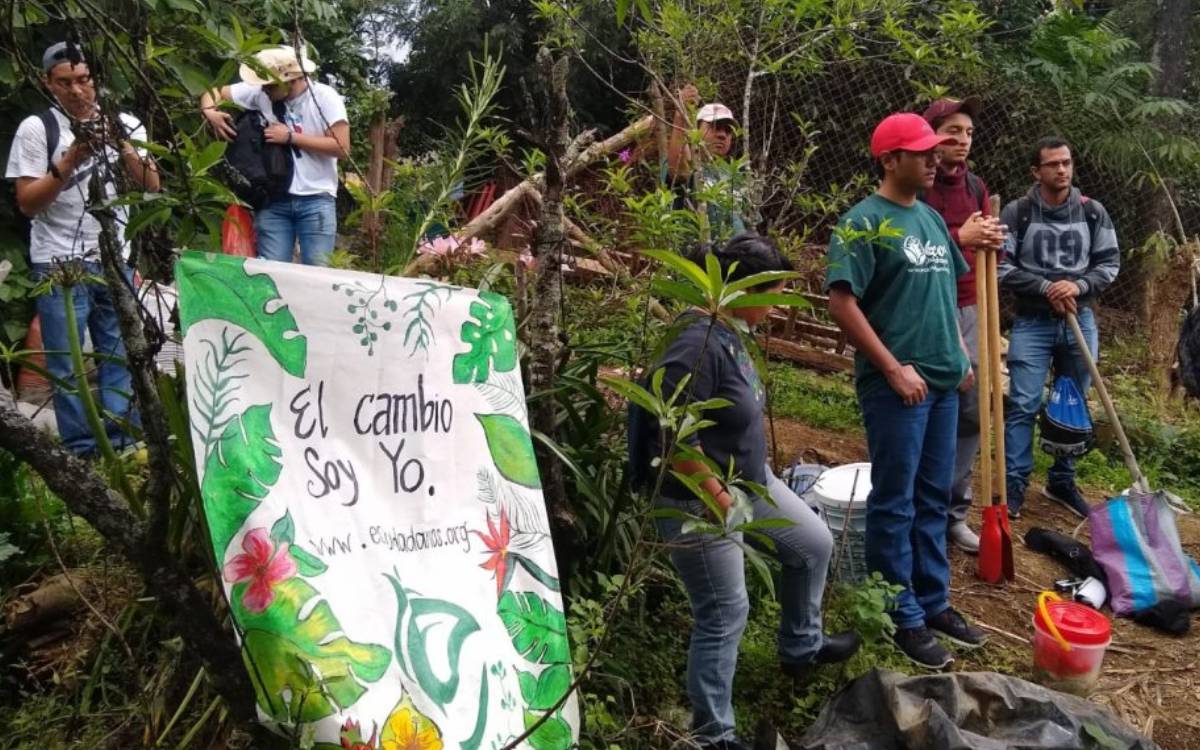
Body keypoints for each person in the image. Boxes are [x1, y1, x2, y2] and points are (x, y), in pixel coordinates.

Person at [632, 233, 859, 748]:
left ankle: (801, 647)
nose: (778, 302)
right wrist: (719, 497)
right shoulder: (696, 343)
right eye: (772, 291)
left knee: (813, 546)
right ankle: (714, 734)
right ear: (742, 288)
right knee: (725, 611)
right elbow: (666, 436)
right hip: (698, 497)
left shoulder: (732, 330)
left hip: (750, 481)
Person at [825, 113, 987, 670]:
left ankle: (933, 601)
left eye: (932, 151)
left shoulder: (932, 221)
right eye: (920, 153)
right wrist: (893, 369)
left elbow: (945, 293)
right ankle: (900, 613)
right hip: (898, 387)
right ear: (890, 160)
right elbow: (842, 302)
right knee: (895, 500)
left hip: (941, 380)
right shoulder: (862, 223)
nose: (933, 159)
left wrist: (959, 355)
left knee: (933, 496)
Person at [5, 42, 160, 456]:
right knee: (67, 363)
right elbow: (28, 202)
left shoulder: (126, 122)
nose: (76, 91)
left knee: (121, 352)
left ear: (96, 79)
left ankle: (124, 442)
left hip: (114, 257)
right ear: (48, 83)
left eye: (84, 80)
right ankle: (83, 448)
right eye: (65, 83)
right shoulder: (37, 128)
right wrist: (72, 158)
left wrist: (123, 144)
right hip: (58, 260)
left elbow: (152, 186)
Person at [998, 137, 1120, 519]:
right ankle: (1014, 484)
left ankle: (1062, 481)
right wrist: (1045, 287)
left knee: (1074, 404)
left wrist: (1079, 285)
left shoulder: (1093, 213)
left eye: (1066, 162)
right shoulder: (1018, 213)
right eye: (1052, 164)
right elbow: (1001, 266)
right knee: (1023, 403)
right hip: (1032, 321)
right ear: (1037, 171)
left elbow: (1109, 263)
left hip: (1079, 319)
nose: (1062, 170)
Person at [919, 97, 1006, 554]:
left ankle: (954, 514)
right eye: (953, 131)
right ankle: (921, 511)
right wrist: (960, 238)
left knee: (973, 408)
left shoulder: (975, 185)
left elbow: (986, 246)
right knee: (929, 408)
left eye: (968, 133)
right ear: (932, 133)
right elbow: (909, 243)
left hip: (972, 305)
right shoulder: (918, 183)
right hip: (928, 308)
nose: (962, 141)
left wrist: (992, 239)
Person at [200, 45, 349, 266]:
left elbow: (342, 147)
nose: (264, 90)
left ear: (290, 80)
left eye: (270, 85)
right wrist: (209, 111)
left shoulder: (324, 98)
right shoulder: (262, 93)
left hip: (316, 197)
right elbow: (215, 92)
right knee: (270, 273)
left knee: (318, 273)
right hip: (273, 198)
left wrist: (291, 137)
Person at [664, 85, 751, 240]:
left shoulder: (737, 174)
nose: (722, 135)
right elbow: (681, 170)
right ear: (695, 130)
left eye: (728, 130)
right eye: (715, 127)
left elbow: (750, 223)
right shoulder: (691, 167)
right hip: (702, 258)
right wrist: (681, 116)